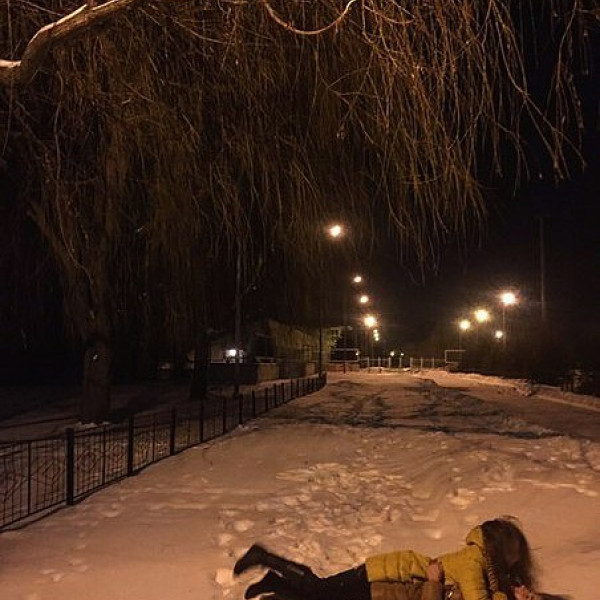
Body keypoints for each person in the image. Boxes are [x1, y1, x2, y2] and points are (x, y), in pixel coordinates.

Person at [232, 516, 537, 600]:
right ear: (498, 548)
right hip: (383, 579)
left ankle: (276, 584)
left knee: (322, 594)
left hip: (387, 582)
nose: (515, 559)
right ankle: (267, 560)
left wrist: (512, 593)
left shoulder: (483, 566)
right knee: (320, 590)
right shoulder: (473, 561)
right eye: (513, 552)